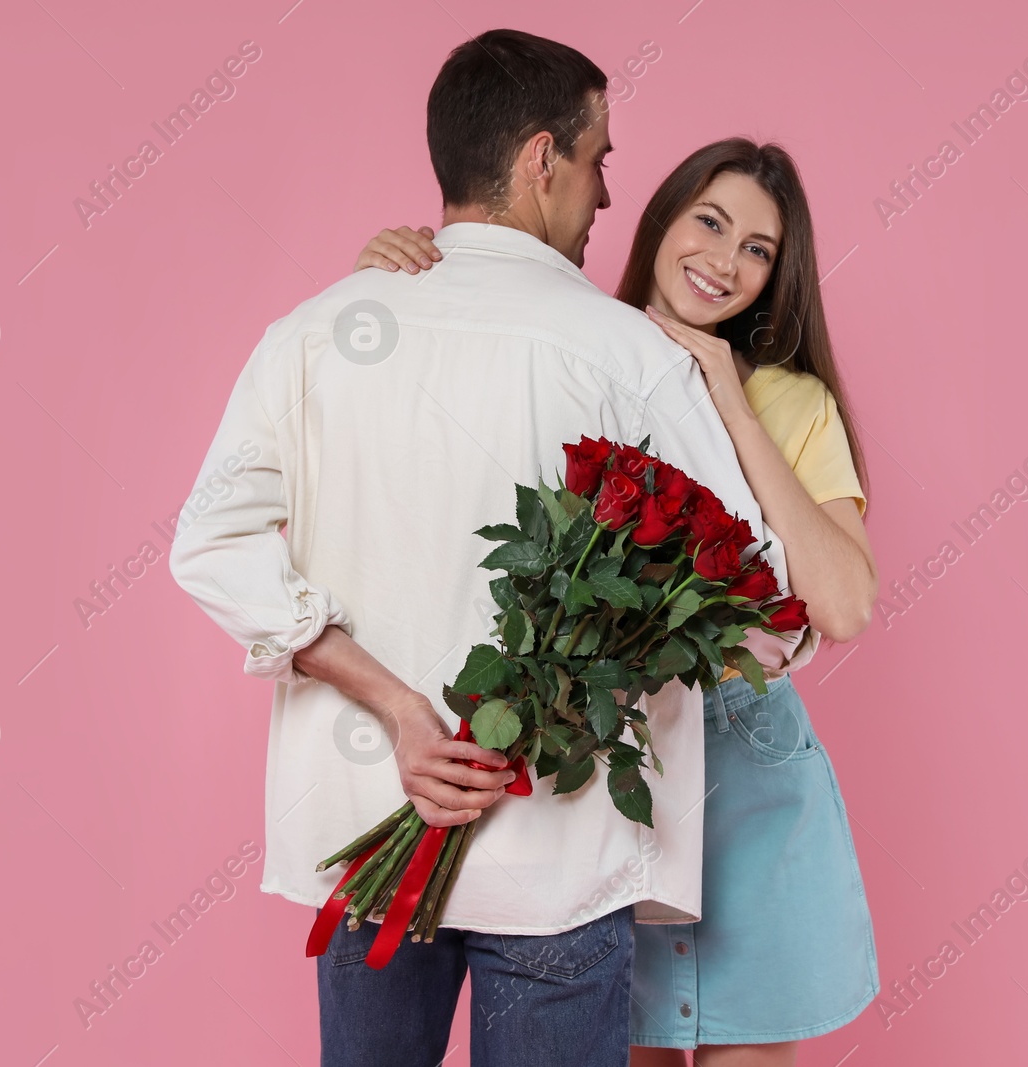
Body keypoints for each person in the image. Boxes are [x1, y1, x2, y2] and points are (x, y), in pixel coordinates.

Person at [168, 31, 790, 1067]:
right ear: (542, 158)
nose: (602, 198)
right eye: (598, 161)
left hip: (367, 817)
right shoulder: (627, 352)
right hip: (559, 850)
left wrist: (397, 707)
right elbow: (753, 598)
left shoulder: (319, 330)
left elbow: (211, 544)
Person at [354, 138, 881, 1066]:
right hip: (596, 758)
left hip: (749, 774)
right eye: (710, 223)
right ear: (660, 220)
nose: (725, 261)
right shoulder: (571, 343)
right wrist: (391, 286)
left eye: (758, 249)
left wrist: (728, 389)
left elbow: (842, 605)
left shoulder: (795, 402)